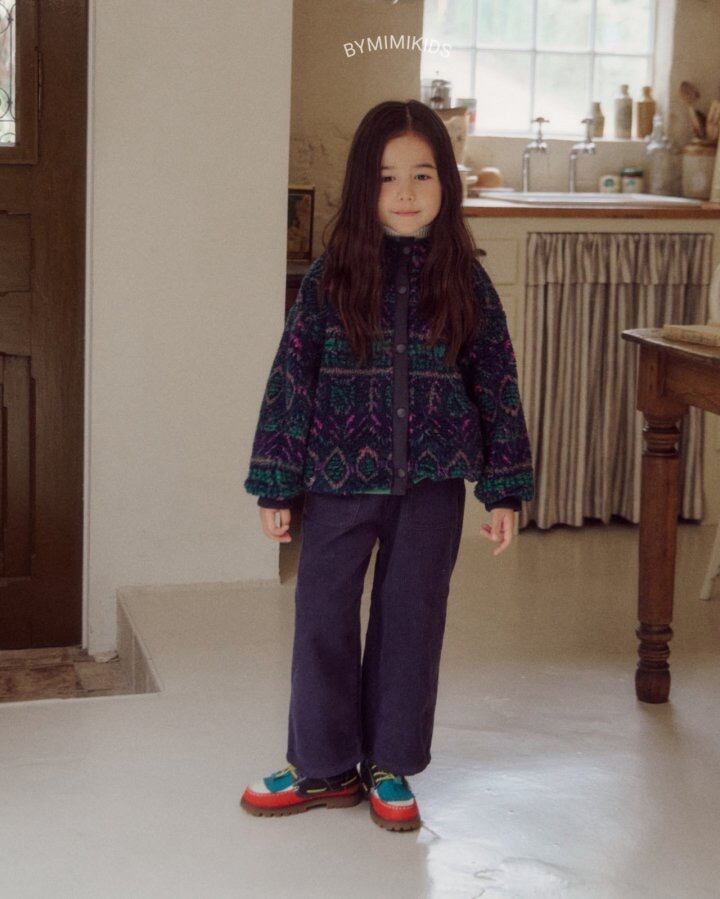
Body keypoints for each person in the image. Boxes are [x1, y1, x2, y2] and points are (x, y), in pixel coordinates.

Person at [239, 99, 535, 832]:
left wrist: (503, 488)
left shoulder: (466, 283)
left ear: (446, 184)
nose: (405, 192)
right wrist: (276, 482)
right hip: (338, 481)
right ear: (362, 187)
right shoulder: (331, 280)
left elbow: (497, 384)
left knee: (412, 619)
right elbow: (290, 381)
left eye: (422, 175)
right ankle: (323, 765)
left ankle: (390, 762)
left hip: (432, 486)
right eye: (386, 177)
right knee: (322, 614)